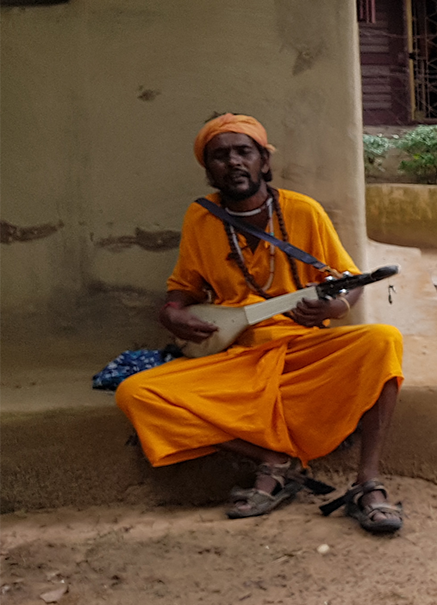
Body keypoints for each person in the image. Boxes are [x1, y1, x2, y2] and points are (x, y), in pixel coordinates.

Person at [115, 114, 407, 533]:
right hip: (238, 355)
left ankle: (367, 482)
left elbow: (347, 280)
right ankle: (273, 460)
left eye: (244, 152)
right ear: (209, 169)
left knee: (383, 341)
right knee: (136, 392)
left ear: (263, 162)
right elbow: (183, 288)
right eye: (220, 156)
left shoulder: (303, 211)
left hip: (303, 351)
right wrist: (172, 314)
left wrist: (335, 309)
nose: (233, 162)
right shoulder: (201, 218)